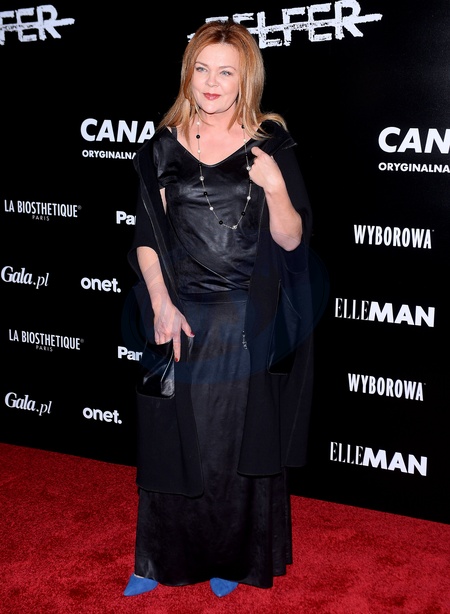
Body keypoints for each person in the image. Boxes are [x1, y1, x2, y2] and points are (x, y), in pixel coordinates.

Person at [124, 18, 314, 599]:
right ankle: (157, 558)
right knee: (172, 436)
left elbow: (291, 240)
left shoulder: (270, 145)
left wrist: (275, 186)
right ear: (188, 74)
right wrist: (161, 304)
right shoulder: (162, 146)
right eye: (202, 69)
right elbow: (147, 236)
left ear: (244, 79)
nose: (211, 82)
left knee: (233, 441)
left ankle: (233, 557)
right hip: (181, 311)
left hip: (246, 316)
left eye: (225, 72)